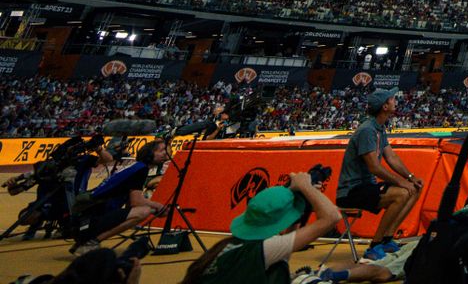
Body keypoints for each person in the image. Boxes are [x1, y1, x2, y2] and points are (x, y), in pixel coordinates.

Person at [295, 154, 468, 284]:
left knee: (372, 265)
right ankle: (330, 275)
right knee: (381, 271)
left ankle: (322, 273)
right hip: (436, 252)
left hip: (426, 243)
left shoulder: (450, 221)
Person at [180, 169, 341, 284]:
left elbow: (287, 246)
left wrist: (303, 196)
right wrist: (306, 187)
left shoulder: (229, 244)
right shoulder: (265, 248)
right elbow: (332, 217)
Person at [337, 91, 422, 260]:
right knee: (402, 193)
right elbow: (374, 167)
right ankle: (375, 245)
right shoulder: (367, 130)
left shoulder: (379, 128)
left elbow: (391, 157)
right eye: (391, 99)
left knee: (415, 188)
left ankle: (387, 239)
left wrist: (411, 178)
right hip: (352, 191)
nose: (394, 100)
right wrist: (401, 182)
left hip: (366, 187)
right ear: (384, 106)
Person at [70, 139, 171, 250]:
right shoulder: (140, 169)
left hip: (85, 218)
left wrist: (154, 210)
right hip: (87, 220)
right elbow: (136, 201)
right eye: (161, 150)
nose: (165, 153)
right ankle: (91, 242)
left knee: (146, 210)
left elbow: (131, 204)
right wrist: (158, 206)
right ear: (150, 153)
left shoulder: (137, 167)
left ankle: (88, 239)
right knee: (144, 211)